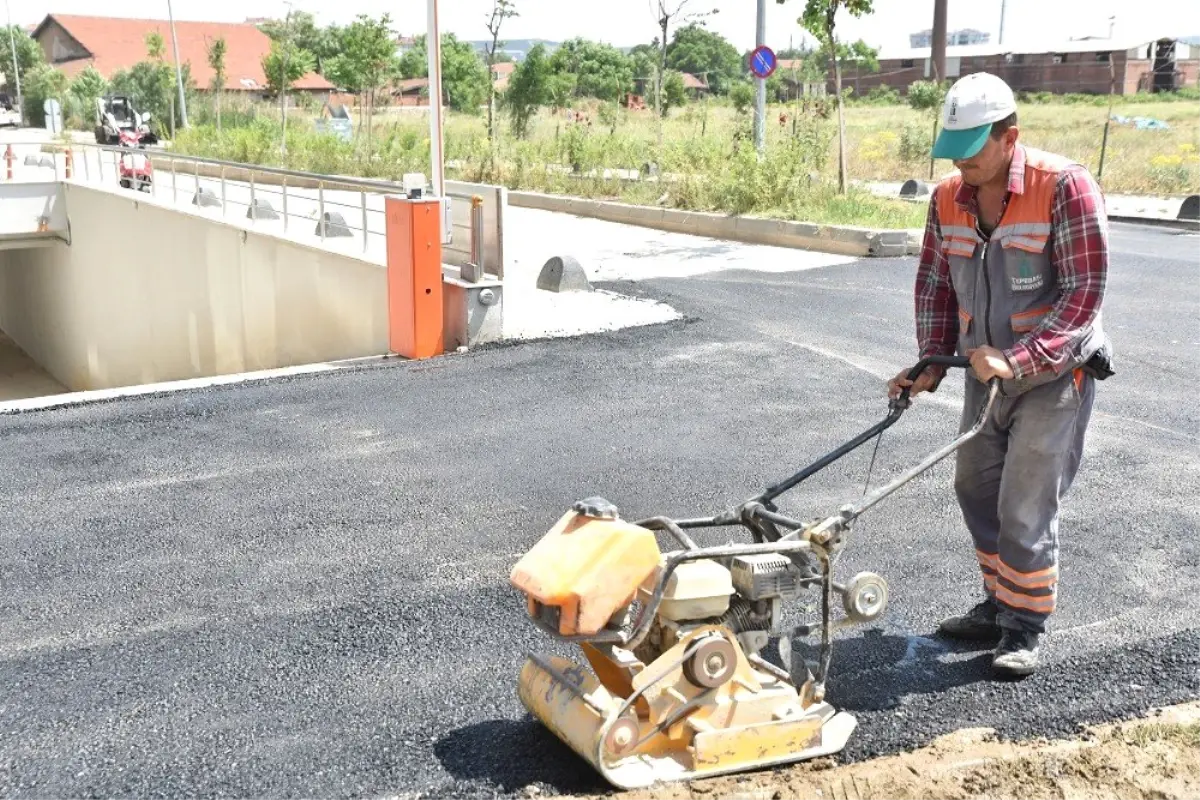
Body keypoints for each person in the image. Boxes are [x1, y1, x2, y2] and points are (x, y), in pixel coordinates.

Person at [887, 72, 1113, 677]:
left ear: (1010, 136)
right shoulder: (946, 199)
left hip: (1052, 377)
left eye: (974, 151)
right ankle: (998, 601)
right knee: (975, 487)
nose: (961, 165)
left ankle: (1024, 626)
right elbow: (935, 285)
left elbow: (1082, 296)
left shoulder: (1064, 187)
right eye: (953, 152)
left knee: (1024, 505)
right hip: (984, 376)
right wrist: (931, 362)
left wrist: (1019, 359)